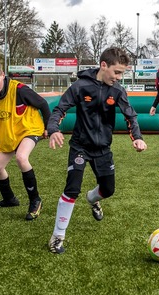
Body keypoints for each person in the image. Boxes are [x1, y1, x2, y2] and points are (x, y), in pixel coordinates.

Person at [47, 47, 147, 254]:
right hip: (80, 147)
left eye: (122, 73)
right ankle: (57, 236)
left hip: (103, 149)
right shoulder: (80, 86)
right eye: (117, 72)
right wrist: (53, 129)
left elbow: (131, 116)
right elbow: (59, 109)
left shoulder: (117, 90)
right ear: (103, 65)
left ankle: (92, 200)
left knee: (108, 190)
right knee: (71, 189)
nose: (119, 77)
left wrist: (137, 138)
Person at [0, 60, 51, 220]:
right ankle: (10, 199)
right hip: (10, 135)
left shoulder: (20, 90)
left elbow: (43, 104)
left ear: (2, 75)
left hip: (30, 129)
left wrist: (49, 127)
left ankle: (35, 200)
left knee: (22, 157)